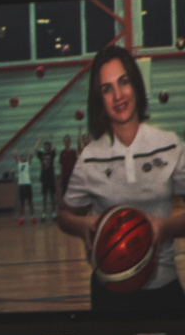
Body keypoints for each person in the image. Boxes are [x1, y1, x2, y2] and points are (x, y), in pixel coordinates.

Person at [55, 43, 185, 312]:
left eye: (123, 82)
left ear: (136, 85)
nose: (117, 95)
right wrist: (84, 226)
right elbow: (65, 216)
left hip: (164, 291)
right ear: (99, 99)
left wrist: (163, 228)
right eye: (106, 88)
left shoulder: (169, 145)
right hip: (109, 293)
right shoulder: (90, 156)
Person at [14, 147, 35, 223]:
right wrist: (17, 151)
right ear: (20, 158)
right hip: (21, 185)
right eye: (21, 157)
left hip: (27, 184)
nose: (23, 157)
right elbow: (15, 156)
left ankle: (32, 217)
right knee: (22, 202)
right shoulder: (19, 164)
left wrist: (29, 152)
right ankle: (22, 218)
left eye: (24, 156)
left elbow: (32, 155)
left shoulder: (27, 164)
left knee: (30, 201)